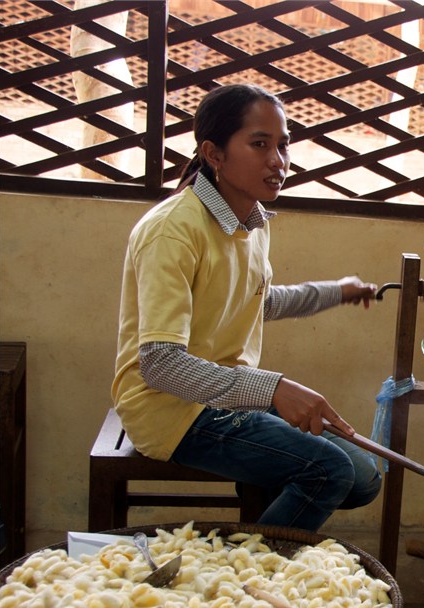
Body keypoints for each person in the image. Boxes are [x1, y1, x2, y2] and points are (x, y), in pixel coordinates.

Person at [112, 83, 382, 532]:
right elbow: (160, 365)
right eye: (260, 144)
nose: (278, 161)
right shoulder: (172, 230)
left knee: (365, 478)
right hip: (171, 410)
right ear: (214, 154)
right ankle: (244, 567)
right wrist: (273, 389)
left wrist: (337, 291)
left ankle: (258, 529)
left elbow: (257, 302)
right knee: (329, 471)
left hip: (228, 396)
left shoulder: (251, 221)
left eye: (283, 145)